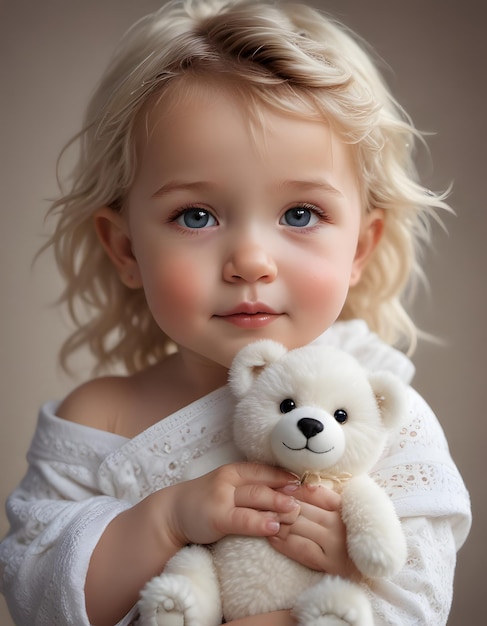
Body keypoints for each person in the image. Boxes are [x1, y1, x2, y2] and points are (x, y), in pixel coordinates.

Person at [0, 0, 471, 624]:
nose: (250, 261)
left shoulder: (380, 411)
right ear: (126, 247)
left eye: (300, 214)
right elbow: (35, 593)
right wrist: (165, 520)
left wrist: (354, 561)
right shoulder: (99, 419)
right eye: (196, 215)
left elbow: (422, 595)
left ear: (359, 248)